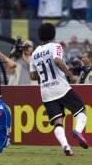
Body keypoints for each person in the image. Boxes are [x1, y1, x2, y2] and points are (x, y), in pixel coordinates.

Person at [29, 23, 88, 157]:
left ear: (39, 36)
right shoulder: (55, 46)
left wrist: (45, 75)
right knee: (81, 111)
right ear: (53, 35)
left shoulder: (35, 53)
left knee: (57, 122)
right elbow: (58, 61)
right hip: (61, 87)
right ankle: (78, 131)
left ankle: (66, 147)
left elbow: (32, 76)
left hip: (45, 91)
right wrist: (70, 75)